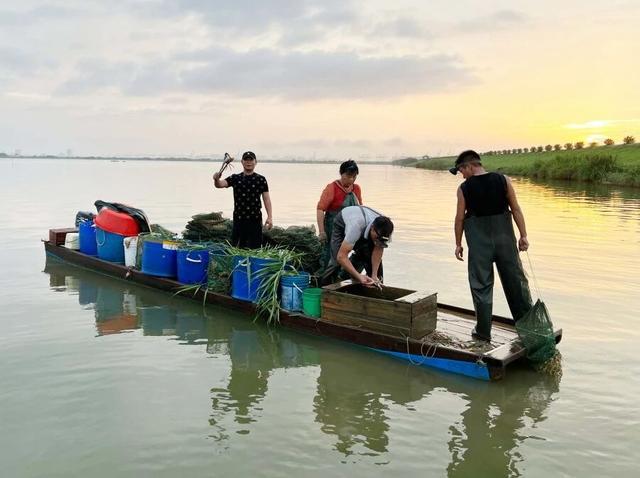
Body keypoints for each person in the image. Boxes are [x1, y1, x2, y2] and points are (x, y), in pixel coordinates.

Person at [451, 150, 532, 341]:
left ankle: (483, 332)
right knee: (516, 283)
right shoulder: (504, 180)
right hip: (505, 241)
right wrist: (523, 235)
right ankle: (529, 330)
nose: (462, 175)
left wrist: (458, 243)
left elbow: (459, 218)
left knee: (481, 286)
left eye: (461, 171)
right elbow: (515, 208)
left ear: (470, 166)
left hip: (480, 244)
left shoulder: (464, 189)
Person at [213, 151, 273, 249]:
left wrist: (269, 217)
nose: (248, 162)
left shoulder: (261, 179)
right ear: (242, 162)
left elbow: (266, 199)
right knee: (237, 248)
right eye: (246, 160)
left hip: (255, 219)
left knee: (255, 248)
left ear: (255, 162)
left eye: (251, 160)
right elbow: (219, 185)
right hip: (239, 219)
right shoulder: (235, 178)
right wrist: (216, 179)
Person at [321, 205, 394, 286]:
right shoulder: (355, 227)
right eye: (377, 238)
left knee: (369, 258)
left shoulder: (386, 229)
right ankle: (324, 284)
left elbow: (378, 250)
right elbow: (341, 256)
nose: (378, 241)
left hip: (364, 224)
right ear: (372, 228)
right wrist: (359, 276)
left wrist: (374, 275)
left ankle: (349, 276)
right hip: (343, 221)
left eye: (381, 239)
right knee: (336, 261)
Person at [316, 160, 363, 270]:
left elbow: (360, 209)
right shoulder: (332, 188)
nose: (351, 179)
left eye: (354, 176)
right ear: (341, 174)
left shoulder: (356, 189)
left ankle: (346, 274)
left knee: (360, 250)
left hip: (350, 228)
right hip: (332, 227)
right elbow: (320, 209)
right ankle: (326, 276)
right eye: (348, 176)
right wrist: (322, 232)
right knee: (330, 253)